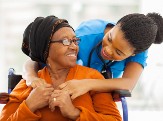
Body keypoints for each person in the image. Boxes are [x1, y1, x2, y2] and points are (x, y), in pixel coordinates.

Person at [0, 16, 122, 121]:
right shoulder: (30, 84)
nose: (74, 47)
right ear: (46, 48)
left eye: (75, 40)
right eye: (65, 41)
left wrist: (74, 113)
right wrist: (29, 105)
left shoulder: (92, 78)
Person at [23, 12, 163, 100]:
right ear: (115, 25)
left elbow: (128, 84)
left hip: (92, 97)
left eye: (119, 52)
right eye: (109, 38)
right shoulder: (84, 37)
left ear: (133, 54)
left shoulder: (138, 48)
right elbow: (34, 61)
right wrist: (31, 77)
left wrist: (87, 84)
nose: (107, 50)